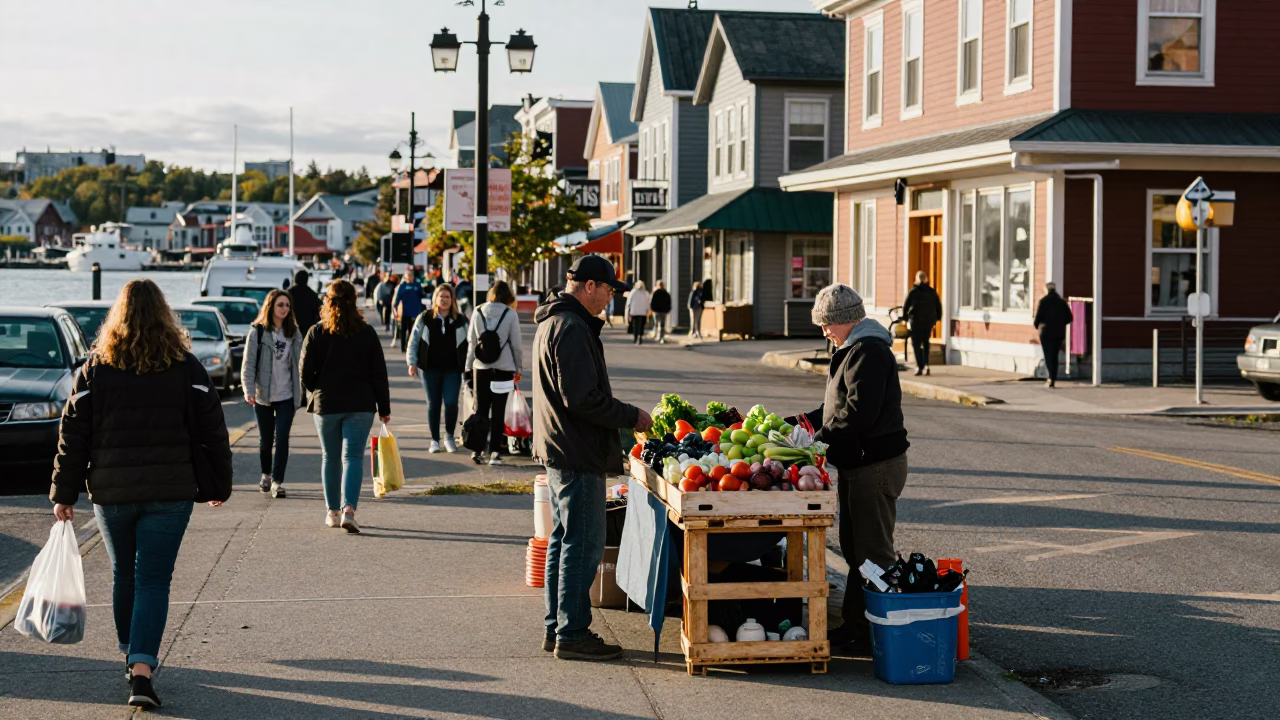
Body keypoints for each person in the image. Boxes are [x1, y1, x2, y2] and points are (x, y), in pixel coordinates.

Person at [50, 279, 232, 709]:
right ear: (164, 316)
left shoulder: (97, 368)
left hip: (112, 491)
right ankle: (142, 669)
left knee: (124, 576)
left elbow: (72, 433)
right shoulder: (186, 367)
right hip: (170, 491)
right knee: (153, 580)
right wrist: (219, 484)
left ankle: (130, 657)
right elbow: (213, 431)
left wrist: (64, 492)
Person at [532, 255, 653, 660]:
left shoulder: (556, 320)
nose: (610, 298)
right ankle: (572, 634)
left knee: (564, 541)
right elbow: (582, 399)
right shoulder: (570, 327)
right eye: (607, 290)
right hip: (575, 449)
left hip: (561, 446)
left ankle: (558, 628)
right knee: (582, 545)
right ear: (587, 287)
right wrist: (630, 415)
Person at [797, 283, 909, 655]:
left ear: (846, 320)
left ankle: (880, 631)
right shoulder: (851, 349)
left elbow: (857, 414)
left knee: (873, 552)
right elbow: (834, 407)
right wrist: (798, 425)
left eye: (827, 324)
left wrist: (818, 440)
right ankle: (858, 625)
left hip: (874, 464)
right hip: (857, 463)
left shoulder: (869, 351)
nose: (824, 331)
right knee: (854, 548)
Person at [300, 279, 391, 533]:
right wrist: (384, 407)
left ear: (327, 301)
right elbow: (378, 373)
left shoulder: (316, 332)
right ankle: (349, 510)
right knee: (352, 457)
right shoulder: (367, 332)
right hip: (361, 403)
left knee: (330, 457)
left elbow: (304, 372)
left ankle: (332, 512)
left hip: (326, 403)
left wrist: (316, 389)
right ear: (354, 301)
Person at [241, 289, 303, 499]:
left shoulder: (294, 333)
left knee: (283, 439)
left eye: (287, 305)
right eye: (280, 305)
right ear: (270, 307)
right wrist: (248, 390)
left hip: (287, 395)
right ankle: (266, 475)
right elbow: (248, 365)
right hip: (263, 395)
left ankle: (277, 482)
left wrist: (304, 391)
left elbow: (300, 365)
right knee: (266, 441)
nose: (284, 308)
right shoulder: (257, 332)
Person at [465, 280, 523, 466]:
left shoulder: (478, 311)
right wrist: (518, 367)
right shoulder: (511, 314)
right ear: (508, 297)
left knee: (480, 410)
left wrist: (468, 367)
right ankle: (495, 453)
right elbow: (516, 345)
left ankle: (477, 449)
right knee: (498, 412)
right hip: (503, 369)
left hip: (480, 368)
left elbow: (471, 342)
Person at [407, 283, 468, 453]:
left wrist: (469, 365)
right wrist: (411, 362)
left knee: (451, 403)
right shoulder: (425, 318)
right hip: (429, 369)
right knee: (433, 404)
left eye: (447, 297)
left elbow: (470, 342)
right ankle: (434, 440)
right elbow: (414, 341)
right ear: (435, 298)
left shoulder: (460, 320)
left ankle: (449, 436)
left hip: (453, 369)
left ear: (452, 299)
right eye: (441, 296)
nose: (444, 300)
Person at [1034, 281, 1073, 388]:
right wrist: (1060, 323)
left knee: (1048, 355)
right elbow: (1069, 318)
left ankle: (1050, 377)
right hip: (1059, 332)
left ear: (1046, 290)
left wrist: (1038, 325)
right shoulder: (1061, 302)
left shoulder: (1043, 301)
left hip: (1046, 332)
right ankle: (1053, 377)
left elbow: (1037, 319)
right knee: (1054, 355)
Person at [902, 271, 942, 376]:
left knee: (916, 344)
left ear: (916, 279)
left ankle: (919, 366)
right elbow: (938, 306)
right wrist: (937, 318)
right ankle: (926, 365)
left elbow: (905, 307)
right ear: (926, 279)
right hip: (928, 321)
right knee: (926, 343)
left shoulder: (913, 292)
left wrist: (905, 319)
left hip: (916, 321)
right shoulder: (932, 292)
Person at [392, 270, 425, 352]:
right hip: (404, 312)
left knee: (413, 330)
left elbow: (422, 296)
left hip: (416, 311)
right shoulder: (402, 286)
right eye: (408, 276)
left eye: (411, 276)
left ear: (413, 277)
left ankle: (410, 346)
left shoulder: (417, 286)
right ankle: (403, 347)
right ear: (405, 278)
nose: (409, 278)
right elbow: (396, 300)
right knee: (403, 329)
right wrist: (395, 310)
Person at [291, 269, 322, 337]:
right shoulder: (312, 294)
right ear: (307, 280)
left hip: (291, 327)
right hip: (307, 329)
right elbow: (319, 311)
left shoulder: (289, 293)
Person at [624, 280, 651, 345]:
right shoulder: (645, 293)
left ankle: (635, 338)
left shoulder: (633, 292)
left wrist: (628, 310)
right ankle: (640, 336)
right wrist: (648, 309)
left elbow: (628, 302)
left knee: (635, 325)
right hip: (642, 312)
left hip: (634, 311)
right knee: (641, 325)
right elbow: (648, 303)